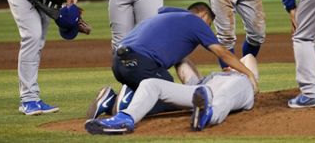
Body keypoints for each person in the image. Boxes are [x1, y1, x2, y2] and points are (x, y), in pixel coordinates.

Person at [85, 2, 258, 122]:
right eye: (209, 24)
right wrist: (248, 73)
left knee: (157, 86)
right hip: (140, 62)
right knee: (171, 95)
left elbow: (178, 59)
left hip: (119, 62)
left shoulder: (171, 16)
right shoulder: (196, 22)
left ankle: (118, 96)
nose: (207, 28)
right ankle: (117, 104)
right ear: (203, 15)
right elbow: (222, 52)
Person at [85, 54, 259, 135]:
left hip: (240, 89)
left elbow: (250, 58)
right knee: (151, 84)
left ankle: (208, 114)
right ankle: (125, 119)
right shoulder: (205, 81)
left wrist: (239, 69)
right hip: (201, 91)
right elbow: (181, 62)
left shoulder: (242, 77)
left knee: (224, 96)